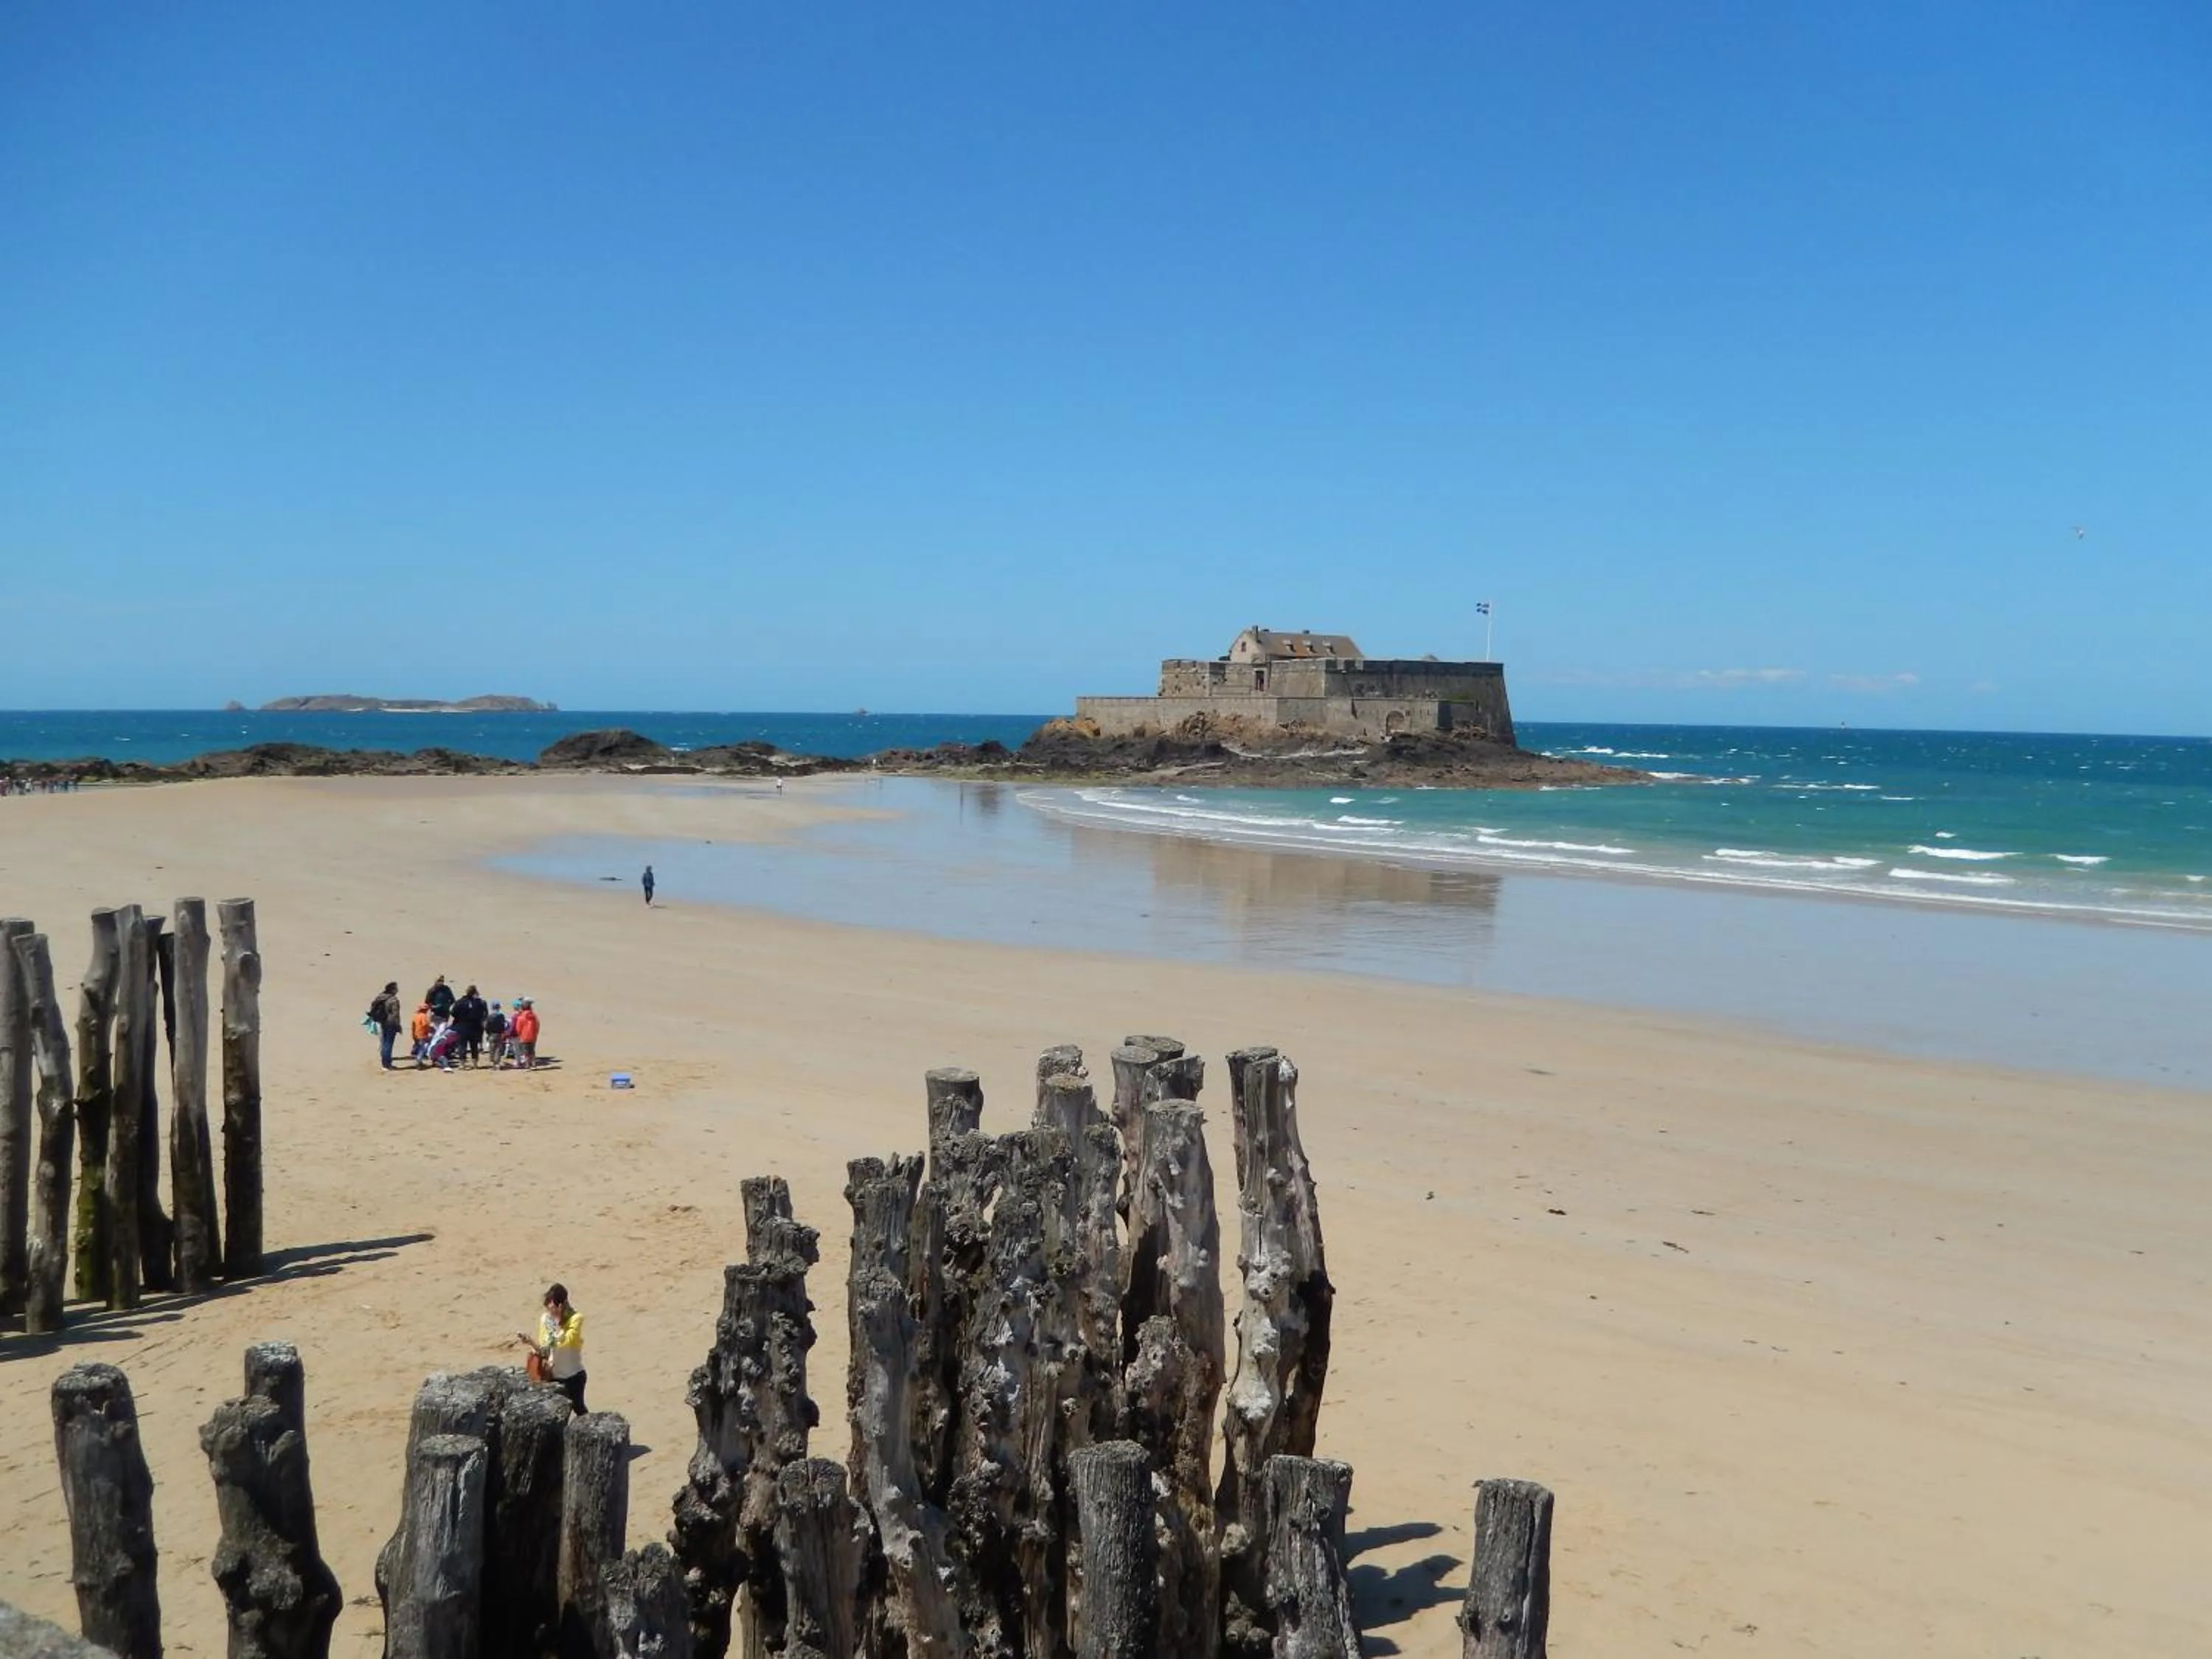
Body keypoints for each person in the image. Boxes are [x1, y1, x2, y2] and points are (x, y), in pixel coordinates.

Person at [516, 1283, 586, 1409]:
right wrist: (530, 1341)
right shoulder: (546, 1319)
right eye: (548, 1308)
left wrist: (557, 1325)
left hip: (574, 1376)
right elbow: (544, 1350)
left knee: (579, 1408)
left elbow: (567, 1340)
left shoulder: (576, 1319)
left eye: (553, 1308)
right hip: (554, 1377)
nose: (550, 1312)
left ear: (562, 1305)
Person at [367, 981, 403, 1071]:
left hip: (382, 1021)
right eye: (396, 988)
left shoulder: (381, 997)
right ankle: (387, 1064)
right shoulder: (393, 1000)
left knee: (384, 1043)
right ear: (393, 990)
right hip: (391, 1023)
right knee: (388, 1044)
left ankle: (384, 1063)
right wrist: (398, 1026)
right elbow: (395, 1014)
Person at [452, 984, 488, 1066]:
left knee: (462, 1045)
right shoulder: (479, 1003)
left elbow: (453, 1013)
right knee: (474, 1046)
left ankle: (462, 1064)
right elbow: (483, 1014)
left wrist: (460, 1018)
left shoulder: (460, 1002)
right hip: (475, 1026)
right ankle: (475, 1064)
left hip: (462, 1026)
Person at [509, 997, 540, 1070]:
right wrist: (536, 1033)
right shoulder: (534, 1016)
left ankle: (527, 1065)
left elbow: (518, 1028)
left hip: (524, 1036)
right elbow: (537, 1025)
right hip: (533, 1036)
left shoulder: (521, 1017)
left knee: (526, 1052)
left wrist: (520, 1035)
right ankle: (533, 1064)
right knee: (532, 1051)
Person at [484, 1000, 510, 1067]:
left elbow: (486, 1026)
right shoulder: (501, 1016)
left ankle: (494, 1063)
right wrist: (503, 1032)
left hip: (492, 1034)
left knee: (492, 1049)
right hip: (499, 1034)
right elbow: (503, 1025)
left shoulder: (490, 1016)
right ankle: (497, 1063)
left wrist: (488, 1033)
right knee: (498, 1049)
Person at [409, 1001, 434, 1065]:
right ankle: (418, 1061)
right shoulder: (423, 1016)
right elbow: (425, 1025)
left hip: (415, 1035)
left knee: (418, 1047)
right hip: (422, 1035)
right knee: (422, 1049)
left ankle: (418, 1060)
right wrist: (430, 1030)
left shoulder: (416, 1016)